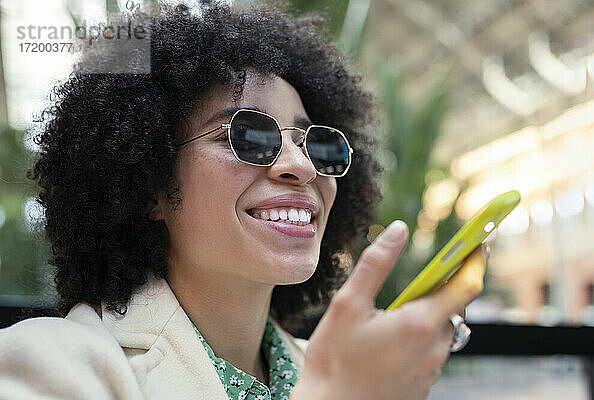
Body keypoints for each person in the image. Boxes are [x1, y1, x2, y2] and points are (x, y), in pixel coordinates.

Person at [0, 2, 488, 399]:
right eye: (249, 135)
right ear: (149, 186)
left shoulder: (338, 369)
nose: (300, 165)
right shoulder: (45, 365)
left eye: (316, 143)